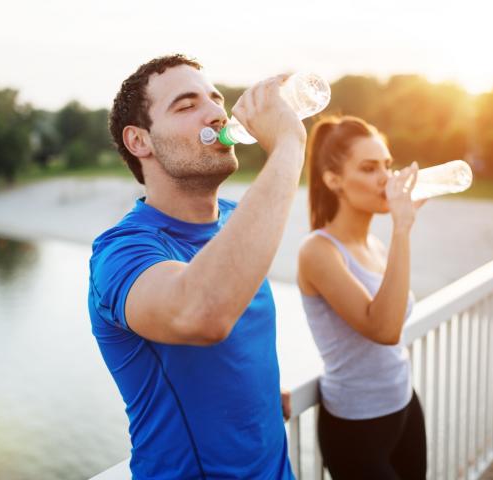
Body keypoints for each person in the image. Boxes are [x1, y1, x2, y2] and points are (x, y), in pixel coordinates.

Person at [88, 54, 305, 479]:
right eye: (186, 106)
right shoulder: (120, 254)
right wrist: (289, 144)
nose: (215, 113)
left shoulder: (234, 219)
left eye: (215, 98)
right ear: (140, 142)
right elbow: (201, 313)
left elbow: (233, 349)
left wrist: (256, 393)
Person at [297, 115, 427, 479]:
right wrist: (402, 227)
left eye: (387, 165)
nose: (386, 178)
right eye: (370, 168)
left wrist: (398, 232)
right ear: (333, 180)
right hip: (356, 426)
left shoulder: (375, 244)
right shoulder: (319, 252)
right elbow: (384, 329)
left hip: (402, 403)